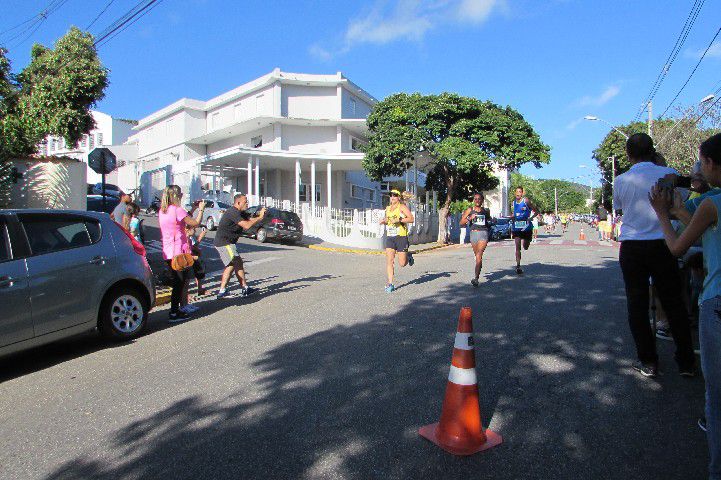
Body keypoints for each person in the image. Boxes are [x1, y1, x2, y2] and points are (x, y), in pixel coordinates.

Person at [649, 133, 721, 480]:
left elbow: (677, 245)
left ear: (710, 163)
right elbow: (688, 214)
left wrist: (662, 213)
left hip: (717, 299)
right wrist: (677, 204)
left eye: (703, 162)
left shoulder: (712, 203)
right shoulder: (707, 202)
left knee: (717, 393)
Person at [613, 133, 695, 378]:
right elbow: (685, 197)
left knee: (636, 305)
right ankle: (686, 362)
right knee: (674, 303)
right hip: (664, 243)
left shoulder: (620, 180)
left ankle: (648, 361)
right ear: (652, 151)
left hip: (632, 247)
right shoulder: (669, 174)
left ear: (628, 154)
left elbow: (619, 207)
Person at [158, 185, 205, 322]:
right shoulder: (177, 210)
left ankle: (177, 309)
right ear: (175, 196)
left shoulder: (163, 211)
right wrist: (201, 209)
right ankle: (174, 312)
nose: (182, 195)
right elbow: (194, 223)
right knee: (179, 283)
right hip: (179, 251)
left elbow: (183, 218)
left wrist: (193, 209)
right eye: (180, 194)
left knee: (178, 282)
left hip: (168, 251)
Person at [214, 193, 266, 299]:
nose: (247, 203)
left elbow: (249, 220)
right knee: (235, 263)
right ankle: (236, 289)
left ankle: (232, 290)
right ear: (238, 202)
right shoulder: (233, 212)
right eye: (245, 201)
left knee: (234, 264)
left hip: (228, 243)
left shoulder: (240, 213)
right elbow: (246, 225)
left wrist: (259, 215)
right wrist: (259, 218)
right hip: (224, 242)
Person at [380, 189, 415, 292]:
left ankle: (408, 256)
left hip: (401, 237)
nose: (392, 197)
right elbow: (388, 220)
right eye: (391, 195)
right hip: (390, 237)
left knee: (402, 263)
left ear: (399, 197)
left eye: (395, 195)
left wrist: (399, 220)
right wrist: (384, 221)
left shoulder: (402, 207)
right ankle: (390, 284)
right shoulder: (387, 208)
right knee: (389, 261)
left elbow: (411, 219)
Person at [460, 192, 491, 287]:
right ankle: (477, 274)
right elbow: (461, 222)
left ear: (482, 200)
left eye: (479, 199)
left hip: (483, 233)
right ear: (474, 200)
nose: (477, 200)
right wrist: (469, 218)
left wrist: (492, 221)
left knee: (479, 255)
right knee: (477, 256)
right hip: (473, 233)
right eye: (475, 199)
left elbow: (489, 220)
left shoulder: (485, 211)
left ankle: (476, 278)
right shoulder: (470, 210)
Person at [510, 186, 539, 275]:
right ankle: (518, 266)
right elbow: (514, 213)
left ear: (522, 193)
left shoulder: (526, 201)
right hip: (517, 227)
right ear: (515, 193)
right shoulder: (513, 203)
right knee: (517, 247)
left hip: (526, 227)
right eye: (516, 192)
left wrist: (531, 218)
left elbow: (537, 211)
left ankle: (527, 242)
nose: (518, 193)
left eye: (520, 192)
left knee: (525, 246)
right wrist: (512, 217)